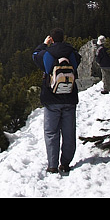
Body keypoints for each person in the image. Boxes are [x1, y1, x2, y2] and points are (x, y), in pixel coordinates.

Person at [32, 28, 80, 175]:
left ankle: (52, 165)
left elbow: (35, 56)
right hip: (69, 97)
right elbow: (77, 61)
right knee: (69, 132)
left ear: (51, 39)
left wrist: (44, 45)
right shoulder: (71, 52)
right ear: (63, 38)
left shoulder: (47, 53)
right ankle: (65, 163)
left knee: (51, 132)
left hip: (51, 98)